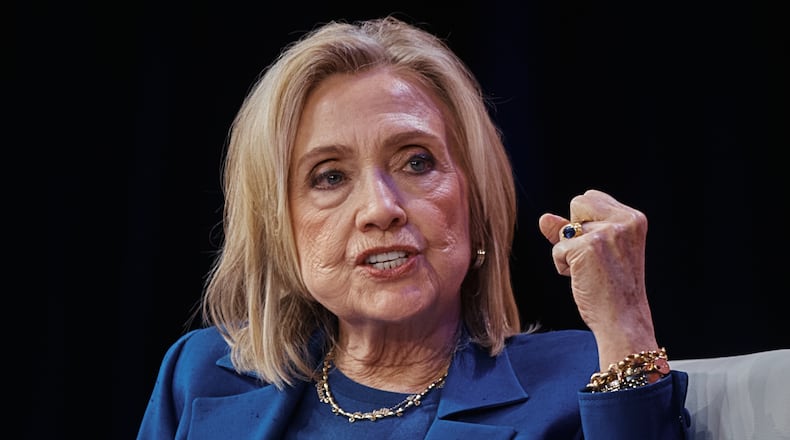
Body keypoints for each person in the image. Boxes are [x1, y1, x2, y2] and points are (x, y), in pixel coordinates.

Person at [137, 15, 691, 439]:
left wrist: (626, 324)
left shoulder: (582, 381)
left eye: (417, 162)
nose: (381, 207)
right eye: (329, 176)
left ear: (473, 196)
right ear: (277, 223)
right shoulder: (203, 376)